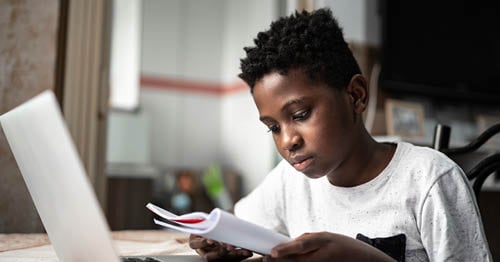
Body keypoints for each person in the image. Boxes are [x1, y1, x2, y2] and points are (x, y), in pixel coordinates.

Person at [189, 8, 491, 261]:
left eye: (300, 115)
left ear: (356, 96)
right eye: (273, 127)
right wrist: (218, 236)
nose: (287, 141)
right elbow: (239, 217)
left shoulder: (428, 180)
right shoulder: (290, 180)